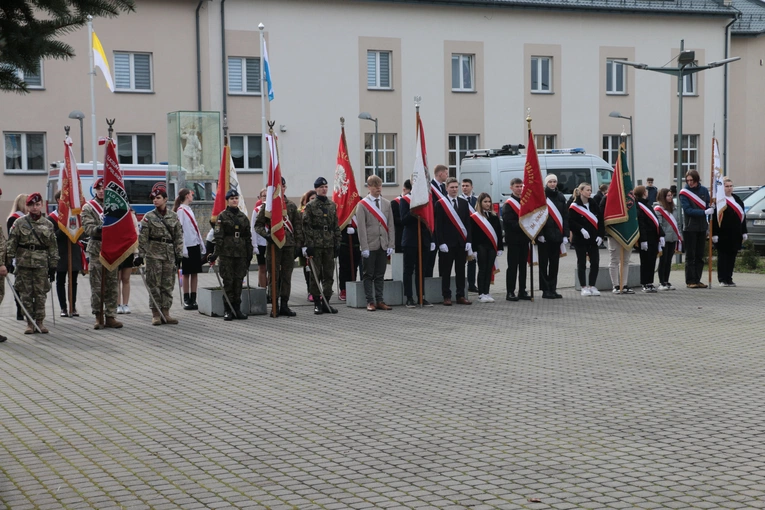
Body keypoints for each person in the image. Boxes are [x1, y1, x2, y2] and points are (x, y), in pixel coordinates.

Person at [7, 192, 59, 334]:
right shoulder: (19, 223)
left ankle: (40, 322)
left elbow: (53, 247)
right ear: (27, 206)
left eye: (37, 204)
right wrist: (8, 261)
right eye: (31, 205)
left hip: (41, 265)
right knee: (26, 295)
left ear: (41, 205)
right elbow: (12, 243)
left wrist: (53, 265)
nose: (35, 207)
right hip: (23, 264)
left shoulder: (48, 224)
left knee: (40, 294)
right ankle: (29, 323)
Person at [254, 177, 303, 317]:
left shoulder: (292, 206)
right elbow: (257, 225)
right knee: (273, 276)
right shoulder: (268, 206)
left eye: (282, 186)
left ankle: (284, 305)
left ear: (285, 187)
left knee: (287, 276)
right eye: (275, 187)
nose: (279, 189)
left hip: (289, 246)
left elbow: (299, 228)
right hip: (273, 246)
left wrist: (298, 246)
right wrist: (267, 235)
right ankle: (274, 304)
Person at [135, 187, 184, 325]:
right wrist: (140, 255)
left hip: (169, 255)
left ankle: (166, 312)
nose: (155, 201)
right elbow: (143, 238)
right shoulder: (148, 217)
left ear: (165, 199)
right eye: (153, 198)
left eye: (158, 198)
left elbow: (178, 236)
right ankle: (156, 313)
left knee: (167, 285)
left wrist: (179, 254)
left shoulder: (173, 216)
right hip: (153, 255)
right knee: (154, 284)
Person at [81, 178, 123, 329]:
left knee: (112, 284)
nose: (100, 191)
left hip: (112, 247)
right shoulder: (89, 207)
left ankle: (111, 315)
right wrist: (101, 228)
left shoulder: (115, 206)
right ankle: (98, 316)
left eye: (103, 188)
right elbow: (87, 228)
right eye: (98, 188)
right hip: (97, 248)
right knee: (97, 285)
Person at [207, 189, 252, 320]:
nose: (234, 200)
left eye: (236, 198)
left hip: (241, 254)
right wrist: (216, 254)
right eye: (232, 198)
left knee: (238, 282)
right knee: (228, 282)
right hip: (227, 254)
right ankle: (228, 310)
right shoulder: (222, 216)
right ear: (227, 200)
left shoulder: (243, 217)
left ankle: (237, 309)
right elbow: (218, 237)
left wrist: (249, 253)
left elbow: (248, 237)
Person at [302, 177, 341, 314]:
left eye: (326, 186)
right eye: (321, 187)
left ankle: (326, 301)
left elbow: (335, 225)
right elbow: (306, 227)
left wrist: (337, 242)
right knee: (315, 275)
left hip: (329, 243)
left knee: (329, 274)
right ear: (316, 189)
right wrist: (309, 245)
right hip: (316, 245)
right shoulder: (310, 206)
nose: (324, 189)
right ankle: (317, 302)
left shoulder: (332, 205)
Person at [356, 175, 395, 311]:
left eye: (379, 185)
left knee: (380, 274)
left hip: (383, 244)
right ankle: (370, 301)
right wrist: (364, 247)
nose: (378, 188)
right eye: (374, 185)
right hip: (370, 245)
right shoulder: (362, 205)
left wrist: (391, 244)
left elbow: (390, 225)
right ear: (369, 187)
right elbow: (361, 228)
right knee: (368, 274)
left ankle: (380, 300)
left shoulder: (386, 203)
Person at [435, 177, 472, 306]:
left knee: (461, 271)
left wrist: (468, 240)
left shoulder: (463, 203)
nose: (455, 189)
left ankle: (460, 295)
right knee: (446, 271)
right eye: (452, 187)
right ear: (446, 189)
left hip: (461, 244)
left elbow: (467, 223)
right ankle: (446, 296)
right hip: (447, 244)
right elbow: (438, 225)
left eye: (456, 187)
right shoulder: (440, 203)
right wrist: (441, 242)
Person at [400, 179, 434, 308]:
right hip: (410, 240)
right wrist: (414, 212)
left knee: (422, 270)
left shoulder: (426, 200)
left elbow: (430, 219)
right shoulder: (405, 200)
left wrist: (432, 239)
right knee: (408, 270)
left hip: (424, 240)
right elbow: (403, 220)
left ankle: (421, 296)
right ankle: (409, 297)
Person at [48, 191, 83, 317]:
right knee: (60, 280)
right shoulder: (52, 218)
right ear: (58, 200)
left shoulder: (74, 215)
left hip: (73, 252)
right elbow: (51, 238)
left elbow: (81, 233)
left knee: (73, 281)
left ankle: (73, 307)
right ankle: (63, 307)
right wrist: (64, 229)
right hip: (60, 253)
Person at [569, 183, 604, 296]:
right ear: (581, 191)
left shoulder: (594, 204)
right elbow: (570, 221)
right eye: (587, 190)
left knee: (595, 262)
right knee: (582, 263)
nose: (589, 192)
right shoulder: (574, 206)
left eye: (590, 190)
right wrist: (581, 230)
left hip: (593, 239)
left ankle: (592, 286)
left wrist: (600, 235)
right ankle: (583, 286)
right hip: (580, 239)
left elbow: (601, 221)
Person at [679, 169, 712, 288]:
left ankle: (697, 279)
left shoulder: (703, 190)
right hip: (690, 227)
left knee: (699, 255)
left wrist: (710, 207)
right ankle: (690, 281)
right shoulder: (684, 193)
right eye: (687, 180)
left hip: (702, 226)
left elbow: (707, 203)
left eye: (691, 180)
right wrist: (704, 212)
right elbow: (688, 210)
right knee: (690, 256)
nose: (689, 183)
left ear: (696, 180)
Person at [538, 174, 569, 299]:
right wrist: (539, 234)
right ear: (546, 183)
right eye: (550, 181)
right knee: (544, 264)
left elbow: (565, 217)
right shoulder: (542, 197)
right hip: (544, 237)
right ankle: (545, 290)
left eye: (554, 181)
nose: (552, 184)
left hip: (557, 236)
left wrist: (565, 234)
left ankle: (553, 288)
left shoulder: (560, 196)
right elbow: (537, 216)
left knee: (554, 264)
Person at [175, 188, 206, 310]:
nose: (192, 196)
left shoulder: (189, 209)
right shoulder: (181, 210)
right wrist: (182, 248)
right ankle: (187, 298)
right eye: (191, 194)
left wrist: (201, 244)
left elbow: (195, 228)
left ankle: (194, 298)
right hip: (187, 245)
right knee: (187, 273)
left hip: (194, 244)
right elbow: (180, 230)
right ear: (187, 196)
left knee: (195, 273)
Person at [713, 178, 747, 287]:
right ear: (722, 188)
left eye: (731, 186)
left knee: (732, 257)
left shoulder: (737, 199)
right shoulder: (720, 201)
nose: (729, 188)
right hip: (723, 234)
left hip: (735, 233)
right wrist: (714, 233)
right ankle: (722, 279)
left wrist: (744, 232)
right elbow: (714, 218)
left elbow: (743, 216)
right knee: (723, 257)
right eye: (727, 186)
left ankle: (729, 278)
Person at [470, 192, 503, 303]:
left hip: (492, 246)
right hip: (480, 246)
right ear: (480, 202)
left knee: (489, 269)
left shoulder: (494, 216)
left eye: (489, 201)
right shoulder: (475, 217)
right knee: (482, 269)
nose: (488, 204)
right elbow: (472, 235)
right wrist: (473, 250)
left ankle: (487, 292)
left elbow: (498, 233)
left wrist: (500, 248)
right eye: (485, 202)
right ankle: (481, 293)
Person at [600, 191, 634, 295]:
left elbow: (635, 213)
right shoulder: (607, 197)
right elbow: (602, 214)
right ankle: (615, 285)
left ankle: (624, 284)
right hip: (613, 232)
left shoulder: (630, 197)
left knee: (626, 260)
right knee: (614, 259)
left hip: (628, 232)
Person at [502, 178, 531, 301]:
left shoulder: (525, 202)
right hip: (514, 240)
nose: (519, 189)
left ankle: (522, 291)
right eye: (517, 186)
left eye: (521, 186)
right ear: (511, 188)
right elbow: (508, 223)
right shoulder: (508, 204)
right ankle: (510, 292)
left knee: (523, 266)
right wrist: (524, 224)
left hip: (525, 239)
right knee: (513, 267)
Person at [634, 185, 665, 292]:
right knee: (645, 261)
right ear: (643, 193)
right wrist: (643, 240)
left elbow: (656, 221)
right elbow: (641, 224)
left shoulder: (647, 204)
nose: (647, 192)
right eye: (646, 191)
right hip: (645, 238)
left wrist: (661, 234)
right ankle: (644, 283)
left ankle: (650, 282)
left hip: (653, 237)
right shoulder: (638, 205)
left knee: (652, 260)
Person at [654, 188, 680, 291]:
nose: (670, 197)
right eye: (668, 196)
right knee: (663, 260)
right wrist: (661, 236)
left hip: (673, 238)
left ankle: (667, 280)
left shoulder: (674, 208)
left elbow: (677, 223)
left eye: (671, 195)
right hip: (664, 238)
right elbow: (659, 224)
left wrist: (679, 235)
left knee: (669, 260)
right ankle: (661, 282)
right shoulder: (658, 209)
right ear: (663, 197)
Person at [7, 193, 27, 321]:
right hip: (19, 255)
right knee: (19, 284)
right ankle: (20, 310)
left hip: (30, 256)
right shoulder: (13, 219)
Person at [427, 164, 449, 277]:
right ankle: (427, 285)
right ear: (440, 174)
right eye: (446, 173)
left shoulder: (445, 188)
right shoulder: (430, 188)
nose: (447, 175)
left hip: (444, 229)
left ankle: (442, 282)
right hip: (433, 227)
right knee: (430, 261)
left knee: (444, 260)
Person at [117, 208, 139, 314]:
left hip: (128, 249)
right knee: (117, 278)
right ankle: (117, 304)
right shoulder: (112, 213)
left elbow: (136, 233)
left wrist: (136, 253)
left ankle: (125, 304)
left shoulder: (130, 214)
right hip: (116, 249)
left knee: (126, 279)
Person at [460, 178, 479, 293]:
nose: (465, 188)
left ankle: (472, 284)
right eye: (463, 186)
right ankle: (462, 285)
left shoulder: (476, 200)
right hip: (462, 233)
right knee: (462, 261)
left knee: (473, 260)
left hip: (474, 234)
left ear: (472, 187)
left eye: (467, 185)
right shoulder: (459, 200)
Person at [298, 190, 317, 301]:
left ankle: (317, 290)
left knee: (319, 269)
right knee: (308, 269)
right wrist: (303, 245)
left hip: (318, 243)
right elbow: (300, 230)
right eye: (311, 199)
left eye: (315, 199)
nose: (314, 201)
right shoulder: (301, 213)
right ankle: (310, 290)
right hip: (306, 244)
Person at [337, 217, 360, 302]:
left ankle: (352, 286)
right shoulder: (344, 212)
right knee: (344, 267)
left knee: (354, 267)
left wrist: (356, 231)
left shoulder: (359, 209)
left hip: (357, 244)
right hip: (344, 243)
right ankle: (343, 289)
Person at [251, 188, 268, 290]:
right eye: (264, 196)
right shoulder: (257, 210)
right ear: (260, 198)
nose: (266, 198)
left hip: (271, 243)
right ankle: (263, 290)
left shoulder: (274, 210)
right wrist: (255, 245)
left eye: (267, 196)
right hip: (261, 243)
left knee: (271, 269)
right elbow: (253, 228)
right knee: (262, 267)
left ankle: (271, 291)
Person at [390, 181, 410, 253]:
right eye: (409, 193)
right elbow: (393, 219)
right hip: (399, 236)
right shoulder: (395, 202)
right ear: (404, 190)